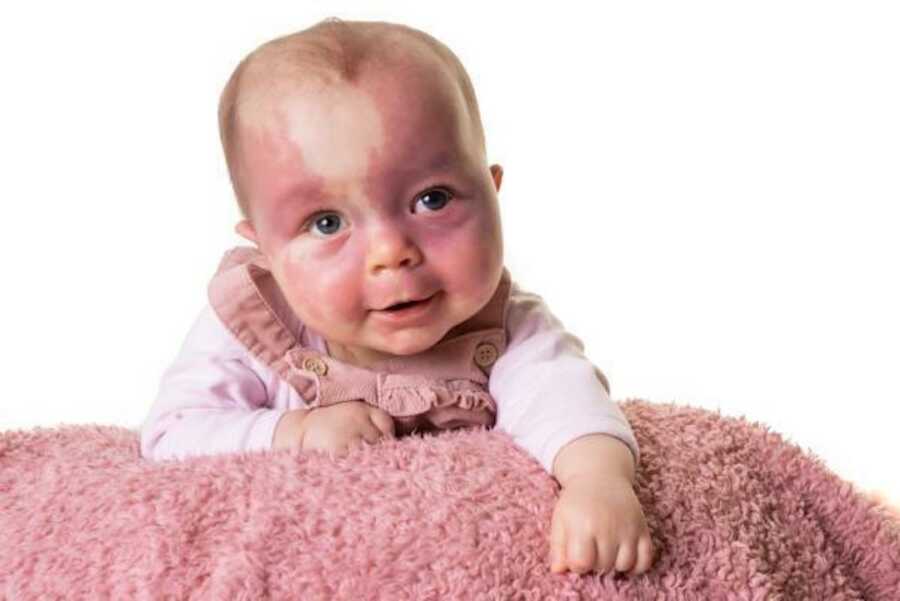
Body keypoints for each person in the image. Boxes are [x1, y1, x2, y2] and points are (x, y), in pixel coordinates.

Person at [140, 17, 654, 577]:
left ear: (493, 192)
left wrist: (597, 482)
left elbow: (565, 401)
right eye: (327, 221)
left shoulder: (501, 328)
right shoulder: (253, 324)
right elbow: (171, 434)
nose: (391, 252)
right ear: (264, 247)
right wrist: (294, 432)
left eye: (432, 199)